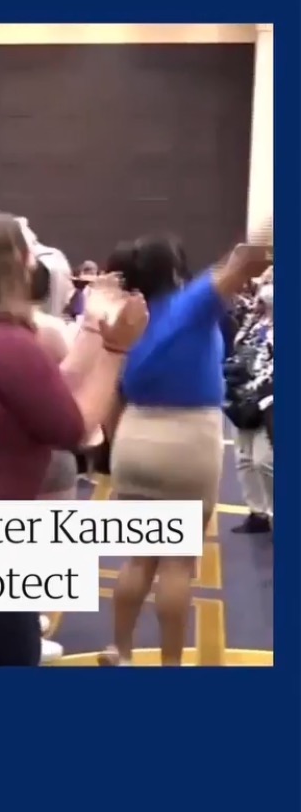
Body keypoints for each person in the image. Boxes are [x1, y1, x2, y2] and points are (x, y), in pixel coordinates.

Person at [0, 212, 148, 666]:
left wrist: (94, 324)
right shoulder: (4, 342)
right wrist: (117, 350)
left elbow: (50, 386)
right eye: (29, 250)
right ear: (10, 264)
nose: (37, 261)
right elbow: (73, 427)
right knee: (11, 657)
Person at [99, 236, 273, 667]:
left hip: (134, 435)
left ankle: (119, 649)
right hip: (187, 442)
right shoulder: (192, 304)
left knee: (139, 559)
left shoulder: (125, 315)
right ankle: (171, 665)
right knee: (178, 564)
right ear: (177, 270)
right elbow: (247, 260)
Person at [226, 276, 274, 533]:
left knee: (264, 460)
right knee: (244, 458)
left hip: (269, 397)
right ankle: (258, 513)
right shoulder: (254, 322)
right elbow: (238, 345)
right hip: (243, 395)